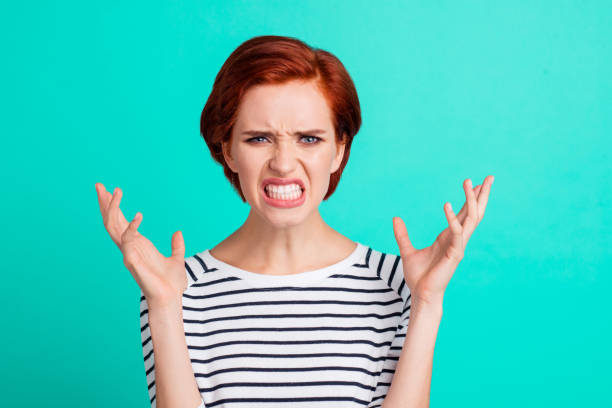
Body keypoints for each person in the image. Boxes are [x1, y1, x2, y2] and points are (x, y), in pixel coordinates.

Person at [95, 35, 494, 408]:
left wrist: (425, 302)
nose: (283, 164)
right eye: (258, 138)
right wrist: (165, 306)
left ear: (339, 150)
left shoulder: (399, 283)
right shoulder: (175, 288)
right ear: (228, 151)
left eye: (309, 139)